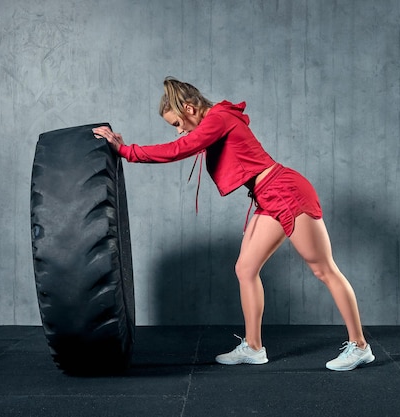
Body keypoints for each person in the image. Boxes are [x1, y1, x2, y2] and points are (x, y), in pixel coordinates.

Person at [93, 77, 375, 371]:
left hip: (286, 191)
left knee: (323, 269)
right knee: (245, 269)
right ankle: (253, 347)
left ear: (189, 108)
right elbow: (187, 144)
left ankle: (360, 346)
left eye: (177, 123)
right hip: (268, 197)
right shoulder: (216, 120)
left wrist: (126, 151)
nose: (179, 130)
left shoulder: (218, 118)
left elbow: (180, 149)